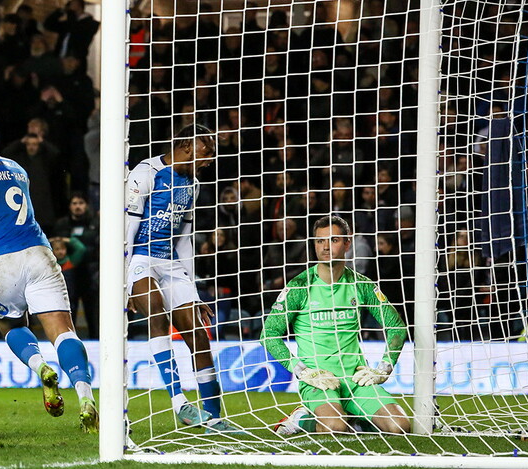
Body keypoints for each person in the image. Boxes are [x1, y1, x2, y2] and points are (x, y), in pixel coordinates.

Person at [0, 114, 98, 433]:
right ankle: (85, 397)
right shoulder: (18, 169)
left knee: (10, 324)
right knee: (64, 331)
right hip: (39, 252)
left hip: (0, 259)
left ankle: (41, 367)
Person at [126, 123, 242, 433]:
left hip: (171, 263)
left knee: (199, 335)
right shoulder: (145, 173)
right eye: (206, 154)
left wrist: (193, 288)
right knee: (156, 309)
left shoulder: (194, 184)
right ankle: (181, 404)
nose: (209, 160)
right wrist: (123, 281)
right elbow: (127, 230)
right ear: (187, 147)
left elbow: (185, 238)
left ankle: (215, 418)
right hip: (140, 258)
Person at [262, 215, 410, 435]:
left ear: (347, 243)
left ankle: (353, 418)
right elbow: (269, 334)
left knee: (400, 426)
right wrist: (303, 372)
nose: (325, 247)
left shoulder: (361, 285)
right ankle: (301, 419)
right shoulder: (300, 285)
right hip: (319, 381)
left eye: (333, 240)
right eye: (320, 241)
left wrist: (383, 368)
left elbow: (396, 327)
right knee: (335, 427)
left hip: (357, 381)